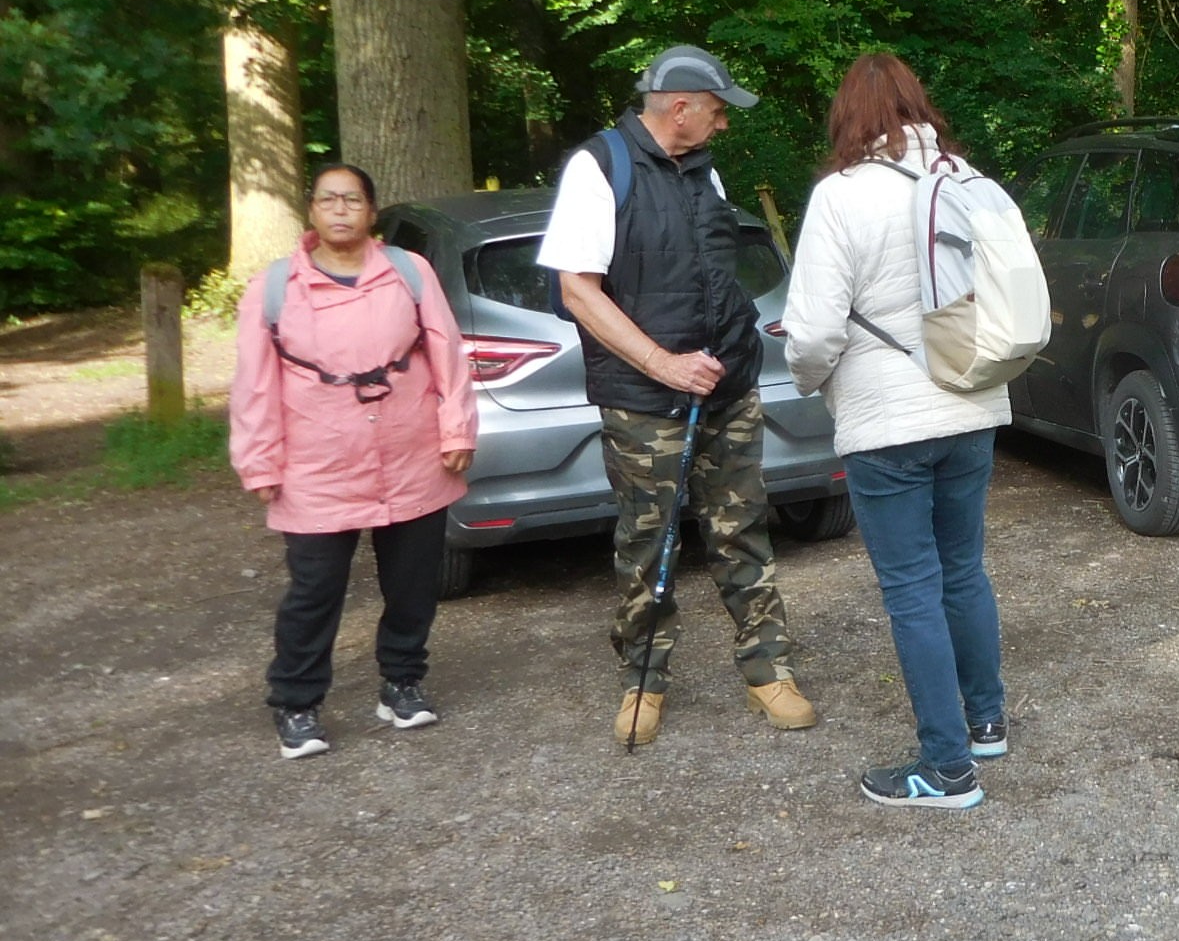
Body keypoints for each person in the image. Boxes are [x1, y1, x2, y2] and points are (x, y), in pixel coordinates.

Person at [537, 45, 811, 746]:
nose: (723, 126)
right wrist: (664, 363)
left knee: (742, 529)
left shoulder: (703, 173)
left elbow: (716, 273)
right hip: (645, 400)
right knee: (648, 540)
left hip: (729, 388)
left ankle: (767, 670)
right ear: (681, 107)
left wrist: (730, 350)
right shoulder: (599, 168)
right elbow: (577, 290)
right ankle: (643, 680)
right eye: (717, 112)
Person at [782, 54, 1010, 810]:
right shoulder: (968, 182)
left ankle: (946, 769)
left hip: (887, 419)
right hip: (971, 404)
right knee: (964, 570)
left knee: (912, 588)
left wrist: (813, 381)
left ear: (848, 116)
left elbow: (814, 332)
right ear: (919, 106)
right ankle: (985, 721)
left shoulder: (841, 197)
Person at [229, 163, 478, 759]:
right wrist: (259, 462)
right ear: (311, 211)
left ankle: (402, 684)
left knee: (413, 584)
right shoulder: (274, 287)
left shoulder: (408, 273)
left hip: (411, 451)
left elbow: (448, 354)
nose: (340, 209)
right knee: (315, 591)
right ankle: (296, 704)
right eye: (327, 199)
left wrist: (458, 430)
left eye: (352, 200)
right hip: (318, 462)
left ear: (370, 211)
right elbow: (254, 385)